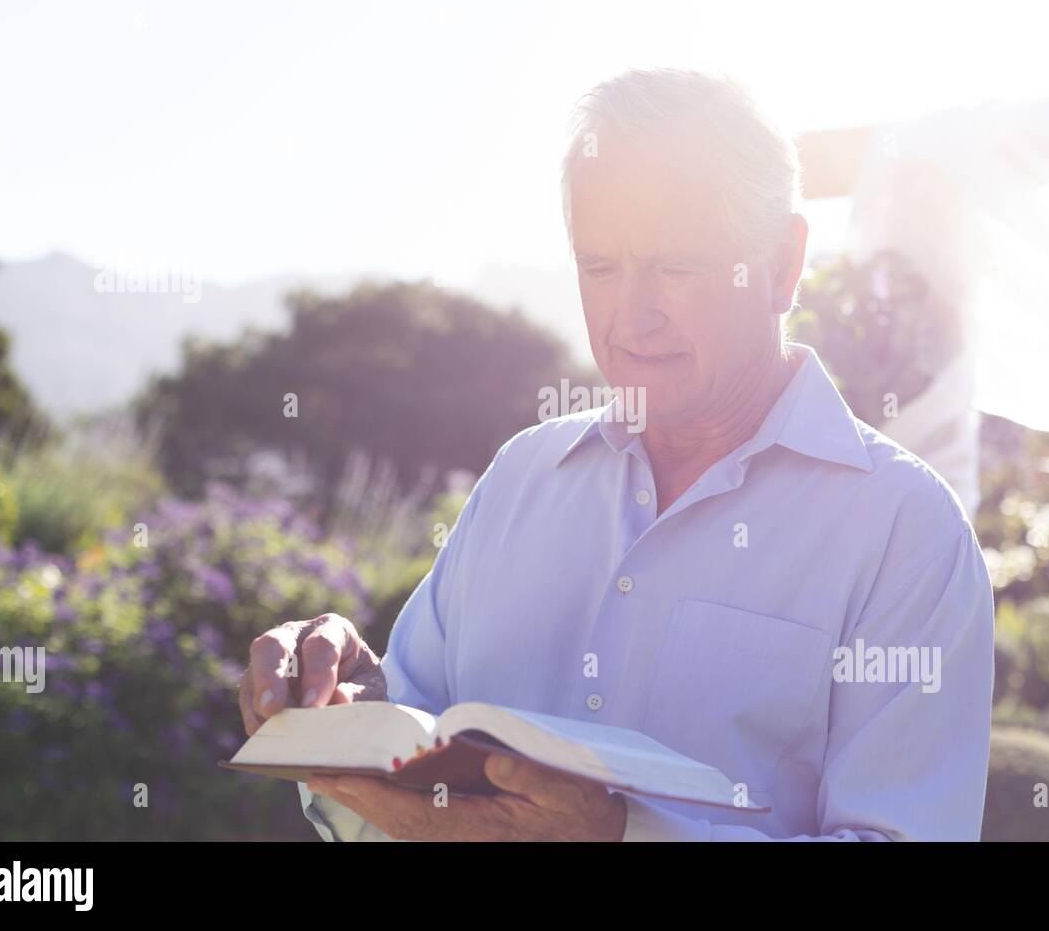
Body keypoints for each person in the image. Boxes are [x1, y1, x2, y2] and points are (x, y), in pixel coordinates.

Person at [238, 68, 995, 841]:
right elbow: (403, 789)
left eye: (675, 266)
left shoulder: (907, 533)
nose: (631, 317)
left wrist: (617, 836)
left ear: (782, 265)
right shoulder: (519, 481)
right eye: (600, 267)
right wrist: (340, 723)